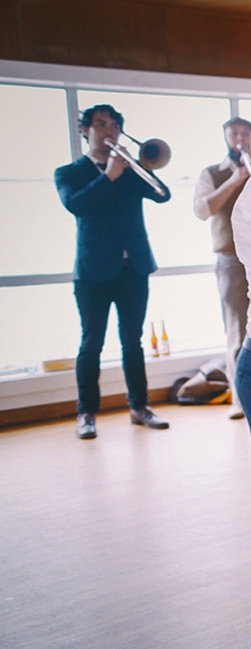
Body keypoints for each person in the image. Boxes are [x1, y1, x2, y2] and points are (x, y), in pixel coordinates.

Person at [55, 104, 172, 440]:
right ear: (85, 131)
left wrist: (141, 163)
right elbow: (76, 205)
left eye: (114, 126)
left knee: (132, 343)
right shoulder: (69, 172)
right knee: (91, 344)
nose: (108, 131)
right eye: (101, 124)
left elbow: (163, 195)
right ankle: (87, 413)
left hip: (133, 268)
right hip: (93, 272)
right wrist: (108, 176)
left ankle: (140, 407)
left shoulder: (130, 169)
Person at [193, 117, 251, 419]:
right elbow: (202, 210)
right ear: (225, 137)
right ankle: (239, 400)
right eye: (234, 134)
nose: (240, 139)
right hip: (231, 260)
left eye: (245, 134)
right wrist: (234, 181)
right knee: (237, 331)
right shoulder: (213, 173)